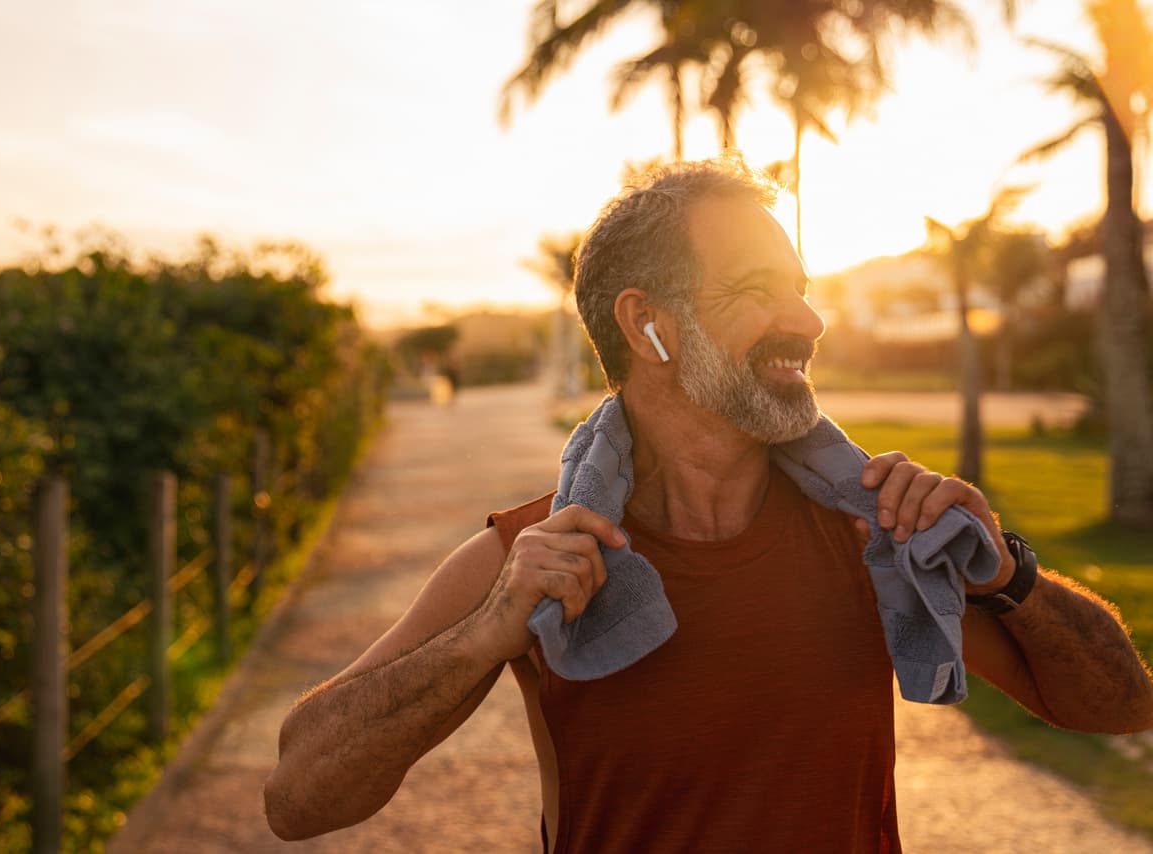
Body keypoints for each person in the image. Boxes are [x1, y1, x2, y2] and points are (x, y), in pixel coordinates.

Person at [264, 156, 1153, 852]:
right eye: (758, 288)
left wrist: (1004, 573)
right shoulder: (527, 560)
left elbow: (1121, 706)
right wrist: (487, 632)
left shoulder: (874, 535)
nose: (807, 320)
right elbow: (298, 798)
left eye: (801, 288)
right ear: (648, 323)